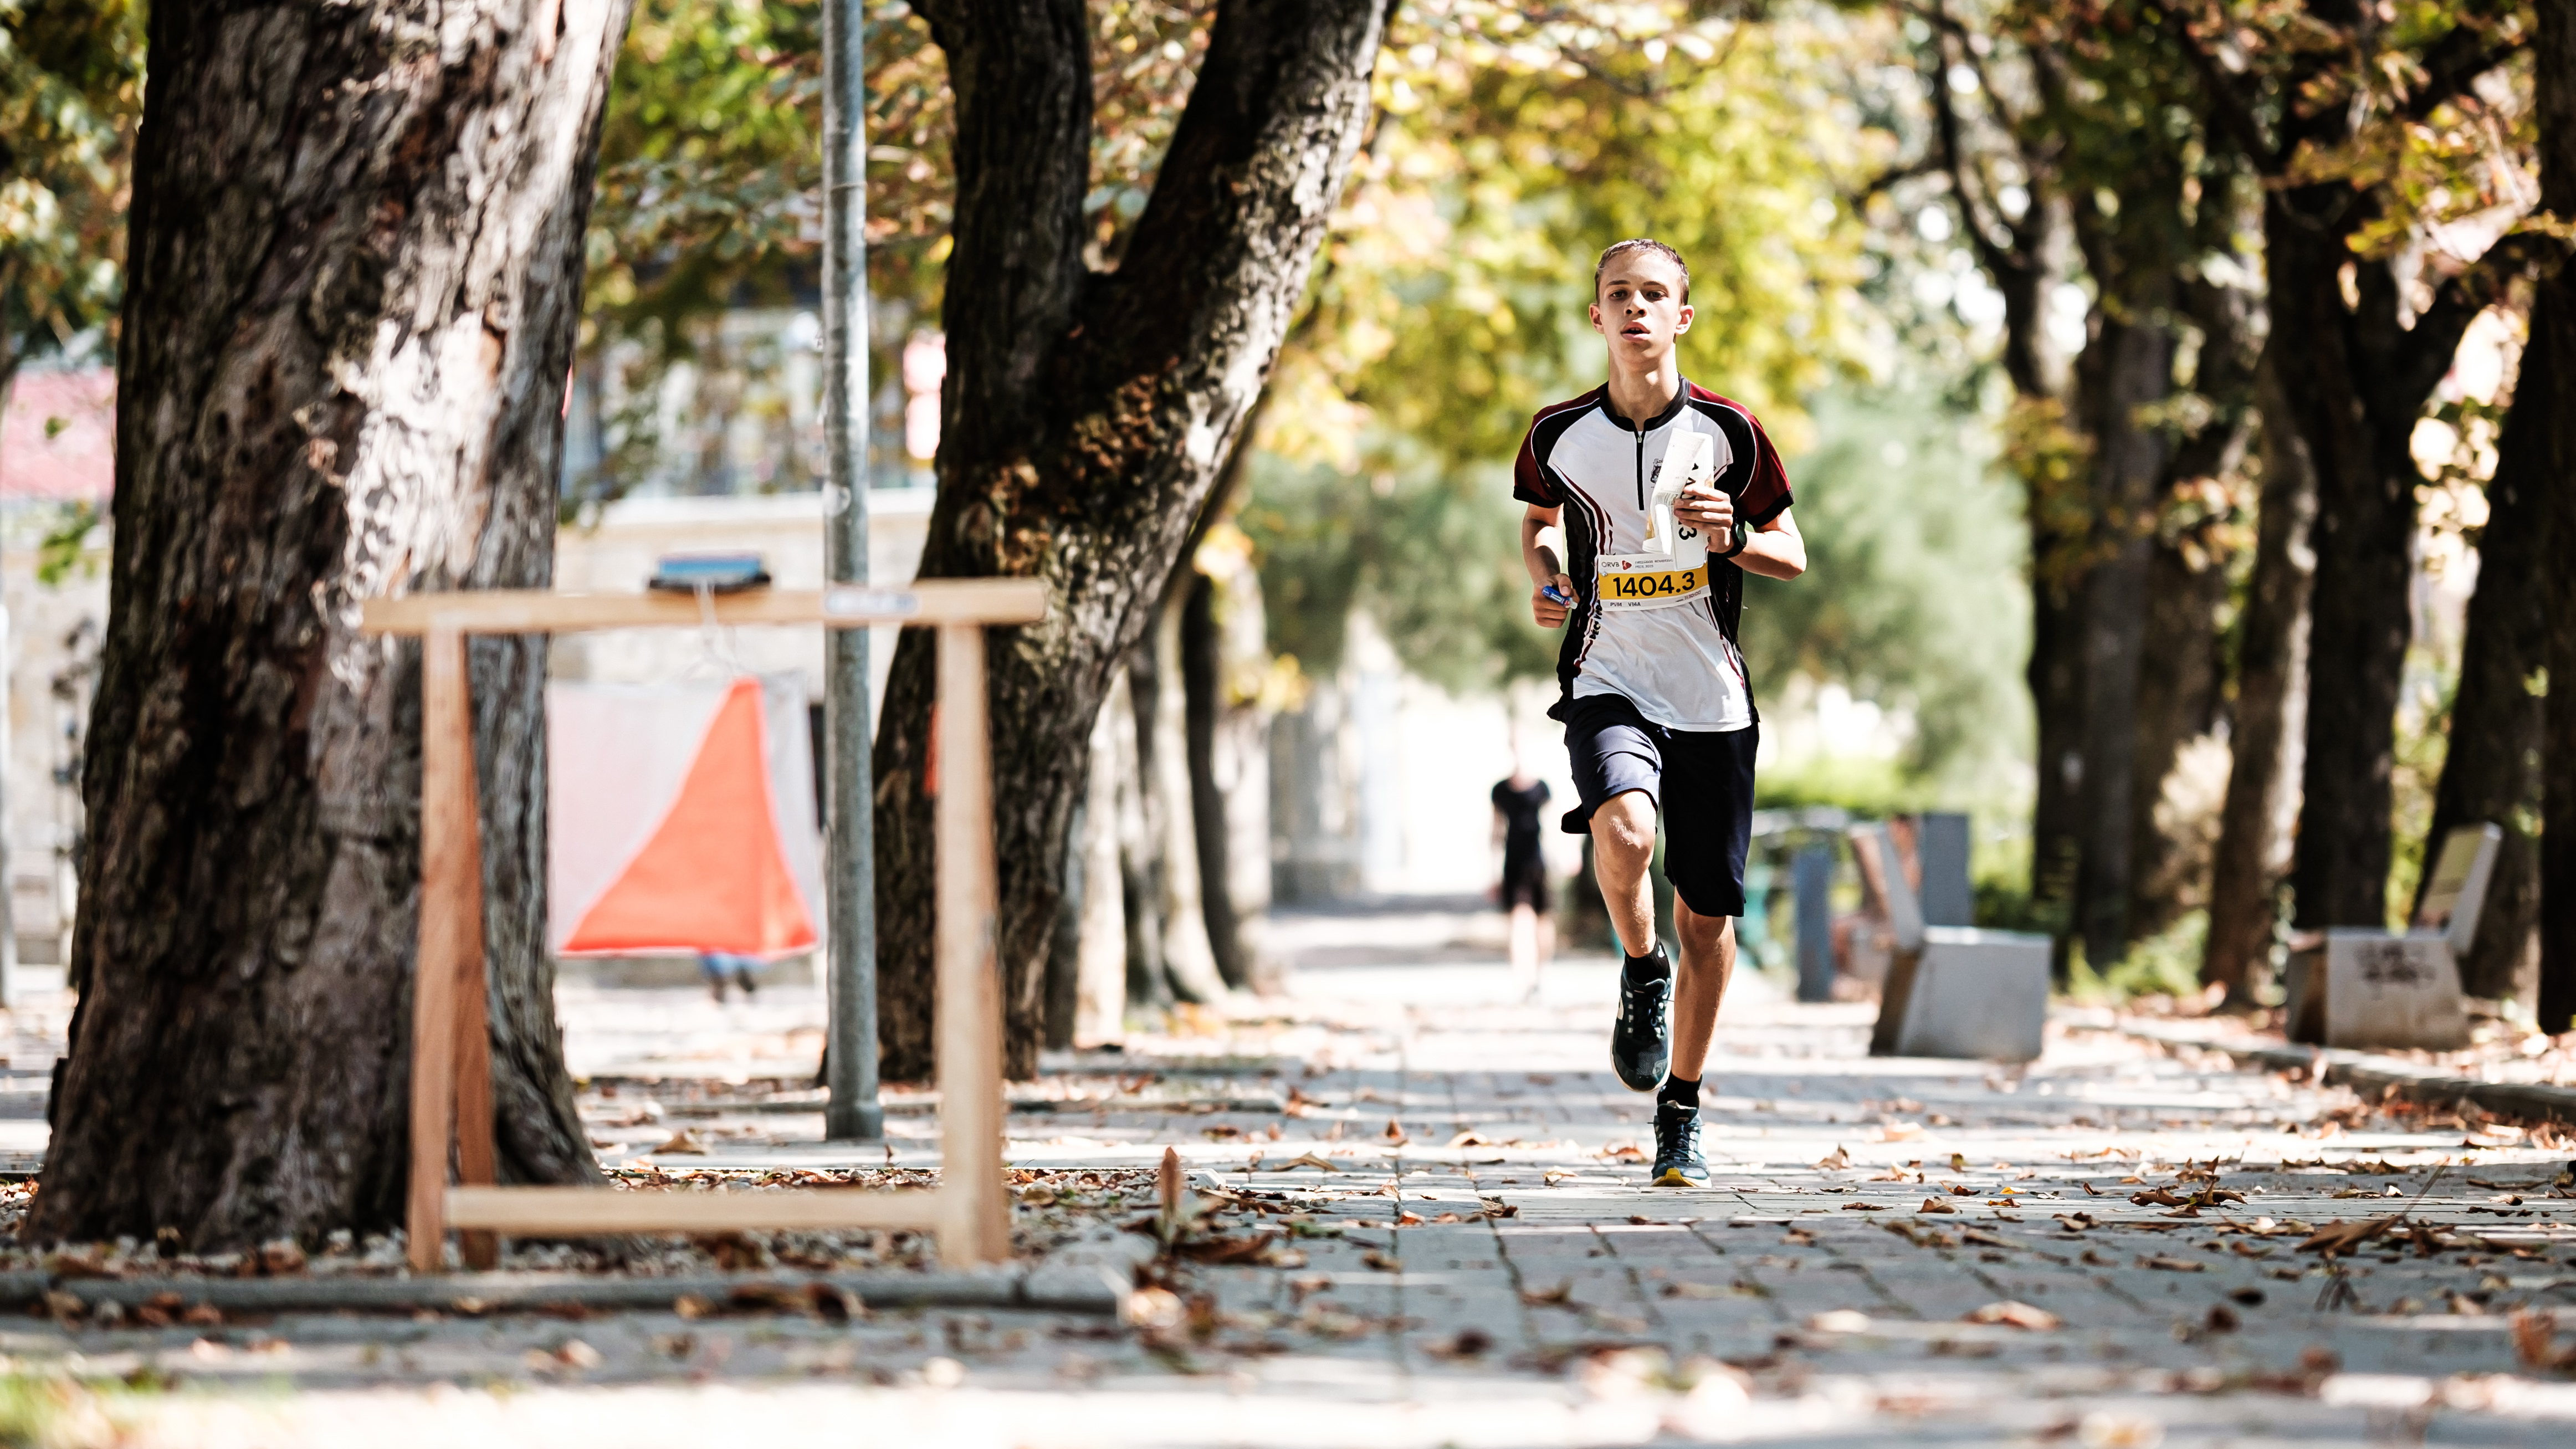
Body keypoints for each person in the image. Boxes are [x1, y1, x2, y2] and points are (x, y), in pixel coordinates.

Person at [1513, 238, 1808, 1187]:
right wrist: (1547, 577)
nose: (1633, 308)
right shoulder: (1556, 433)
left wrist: (1733, 542)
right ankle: (1638, 971)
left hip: (1710, 698)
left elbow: (1791, 552)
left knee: (1708, 922)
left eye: (1652, 295)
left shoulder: (1730, 433)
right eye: (1616, 295)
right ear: (1593, 317)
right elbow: (1535, 521)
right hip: (1605, 674)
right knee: (1627, 836)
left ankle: (1678, 1105)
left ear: (1681, 316)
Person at [1490, 752, 1556, 1002]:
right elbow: (1496, 831)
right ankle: (1523, 980)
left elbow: (1552, 824)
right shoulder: (1500, 791)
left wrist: (1565, 856)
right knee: (1518, 922)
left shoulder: (1542, 789)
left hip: (1540, 862)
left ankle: (1540, 976)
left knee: (1543, 922)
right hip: (1513, 863)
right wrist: (1493, 872)